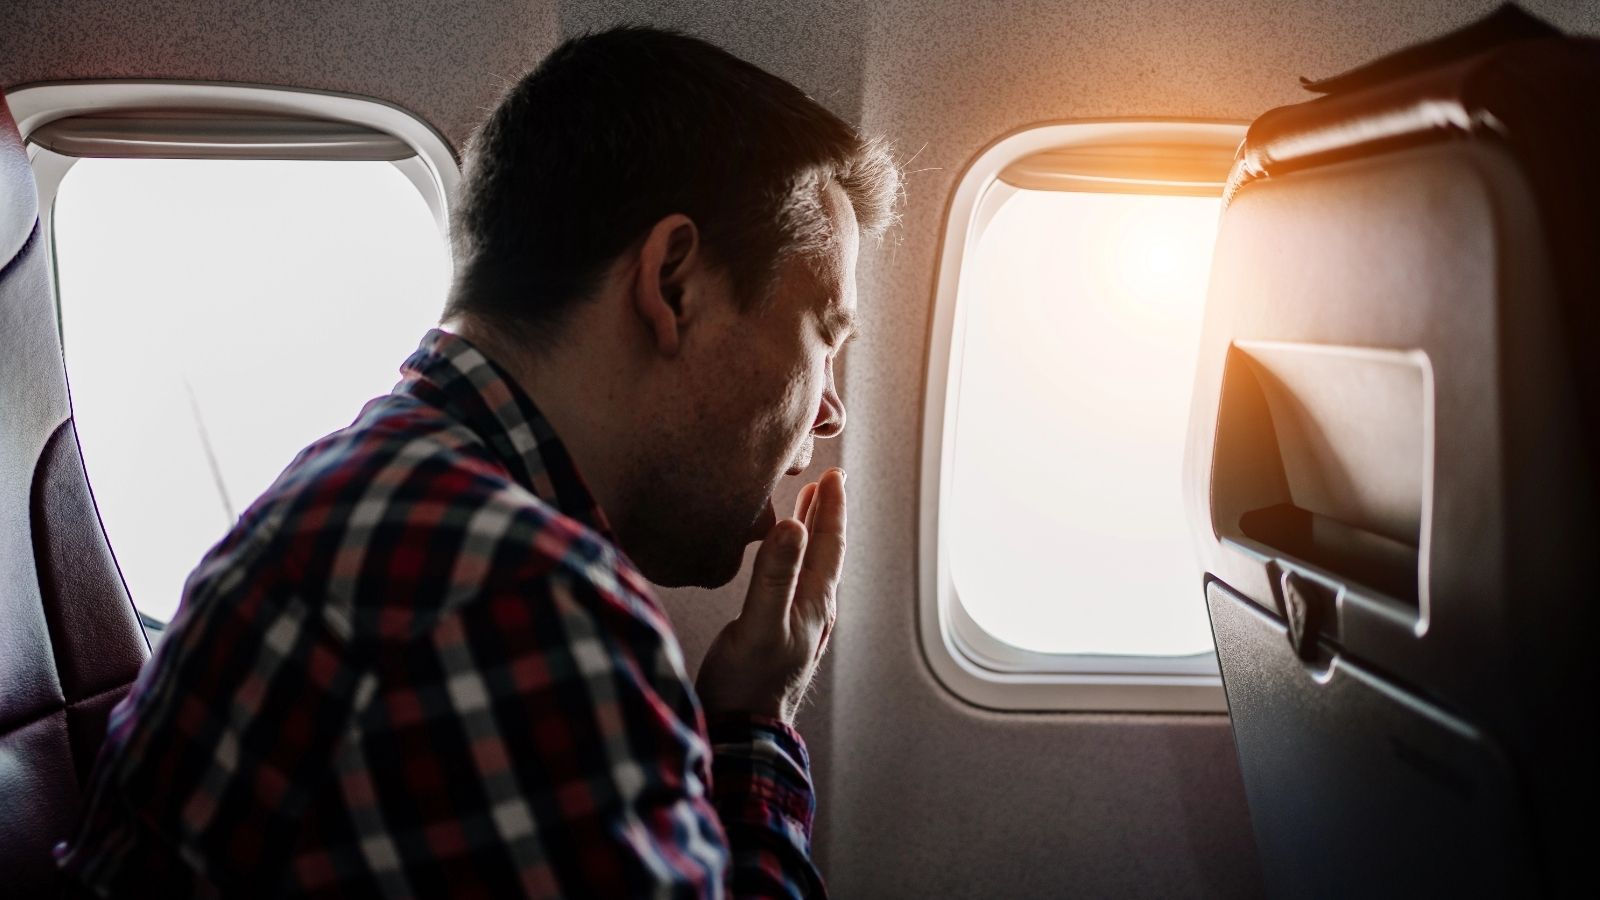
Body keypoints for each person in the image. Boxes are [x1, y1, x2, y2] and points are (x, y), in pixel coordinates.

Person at [56, 25, 899, 899]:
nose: (830, 409)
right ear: (674, 283)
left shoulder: (372, 476)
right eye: (822, 335)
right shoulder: (517, 602)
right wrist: (756, 726)